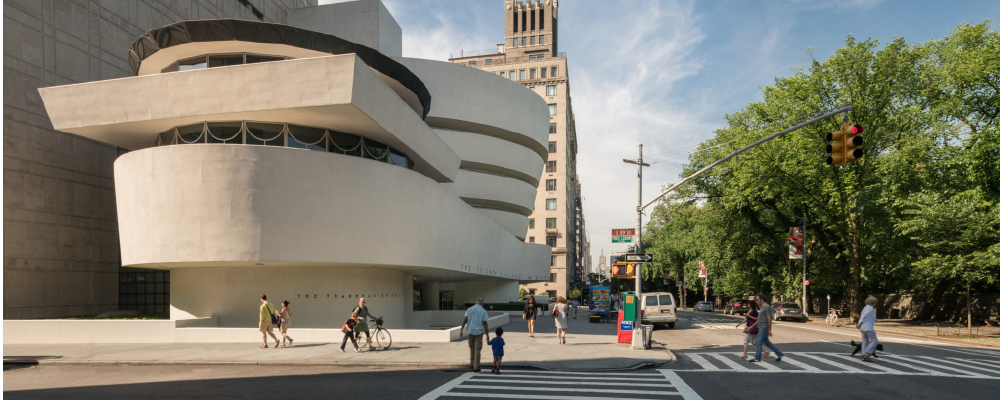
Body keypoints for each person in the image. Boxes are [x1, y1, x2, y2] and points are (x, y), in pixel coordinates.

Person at [747, 293, 784, 363]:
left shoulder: (767, 307)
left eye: (757, 300)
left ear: (762, 299)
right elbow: (759, 319)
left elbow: (769, 318)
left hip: (764, 327)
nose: (756, 301)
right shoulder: (762, 307)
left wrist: (769, 329)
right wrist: (752, 326)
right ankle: (779, 354)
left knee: (758, 342)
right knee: (767, 343)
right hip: (761, 327)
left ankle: (757, 358)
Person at [460, 298, 490, 372]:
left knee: (471, 347)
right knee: (477, 349)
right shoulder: (483, 311)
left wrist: (461, 329)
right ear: (482, 304)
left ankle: (472, 364)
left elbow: (465, 319)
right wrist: (487, 334)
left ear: (476, 302)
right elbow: (485, 323)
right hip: (478, 332)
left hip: (470, 331)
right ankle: (476, 367)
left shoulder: (469, 309)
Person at [857, 295, 880, 362]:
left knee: (865, 341)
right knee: (875, 341)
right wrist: (859, 323)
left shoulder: (865, 307)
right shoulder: (870, 308)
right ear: (874, 303)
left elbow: (862, 316)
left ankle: (863, 355)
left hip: (863, 328)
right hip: (868, 327)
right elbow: (864, 316)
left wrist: (859, 324)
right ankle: (866, 352)